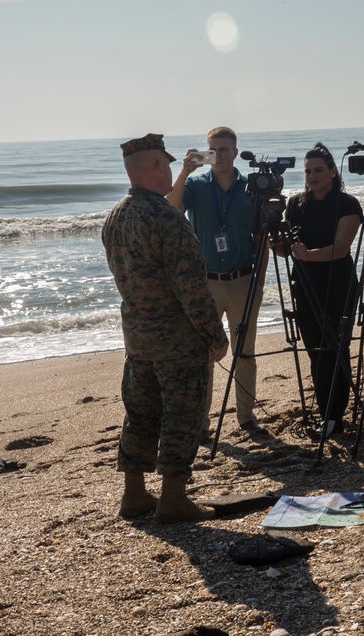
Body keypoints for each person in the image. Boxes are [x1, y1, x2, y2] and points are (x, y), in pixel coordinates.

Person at [102, 133, 229, 523]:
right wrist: (215, 334)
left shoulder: (116, 215)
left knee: (140, 414)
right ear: (158, 167)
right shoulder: (166, 218)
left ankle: (135, 493)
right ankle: (173, 497)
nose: (171, 170)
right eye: (168, 164)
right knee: (182, 414)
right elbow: (190, 287)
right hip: (177, 338)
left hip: (137, 336)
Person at [166, 127, 267, 437]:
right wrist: (184, 170)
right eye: (213, 149)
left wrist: (258, 284)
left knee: (244, 353)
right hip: (205, 283)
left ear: (235, 152)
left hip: (242, 280)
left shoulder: (251, 188)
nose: (218, 155)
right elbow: (171, 208)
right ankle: (201, 423)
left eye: (224, 149)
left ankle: (246, 417)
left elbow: (261, 238)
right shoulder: (196, 185)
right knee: (204, 355)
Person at [278, 143, 362, 438]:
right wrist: (270, 239)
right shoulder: (296, 204)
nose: (312, 176)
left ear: (332, 171)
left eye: (318, 170)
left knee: (335, 351)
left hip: (337, 285)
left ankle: (333, 418)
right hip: (304, 284)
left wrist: (305, 254)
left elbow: (340, 249)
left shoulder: (348, 204)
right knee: (315, 352)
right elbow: (285, 250)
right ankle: (326, 413)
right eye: (307, 171)